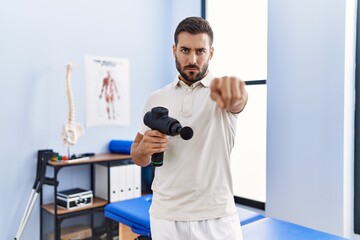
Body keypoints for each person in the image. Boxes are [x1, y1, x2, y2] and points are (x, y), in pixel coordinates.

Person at [131, 16, 248, 240]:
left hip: (217, 217)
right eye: (185, 50)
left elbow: (238, 100)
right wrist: (144, 149)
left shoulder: (222, 91)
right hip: (166, 217)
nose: (192, 59)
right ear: (174, 50)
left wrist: (238, 92)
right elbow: (137, 156)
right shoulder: (156, 98)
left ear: (210, 53)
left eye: (200, 51)